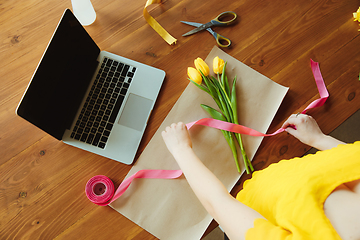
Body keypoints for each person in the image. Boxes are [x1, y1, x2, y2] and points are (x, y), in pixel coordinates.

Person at [161, 113, 360, 240]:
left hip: (250, 206)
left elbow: (218, 204)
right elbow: (353, 159)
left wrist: (181, 150)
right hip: (287, 176)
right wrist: (319, 139)